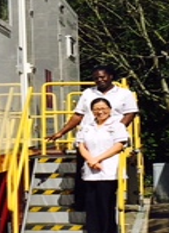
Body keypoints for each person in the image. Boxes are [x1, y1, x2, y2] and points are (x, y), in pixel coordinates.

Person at [45, 65, 138, 209]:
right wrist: (61, 132)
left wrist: (116, 129)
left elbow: (130, 113)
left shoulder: (124, 94)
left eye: (102, 77)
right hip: (90, 138)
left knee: (108, 176)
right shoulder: (88, 93)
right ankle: (82, 204)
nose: (99, 80)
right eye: (96, 78)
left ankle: (107, 208)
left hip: (110, 141)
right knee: (84, 170)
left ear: (111, 76)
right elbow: (78, 115)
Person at [76, 97, 129, 233]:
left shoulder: (117, 126)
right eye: (96, 109)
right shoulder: (87, 126)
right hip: (91, 170)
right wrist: (91, 160)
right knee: (91, 204)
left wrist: (98, 159)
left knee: (106, 204)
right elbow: (81, 146)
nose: (100, 112)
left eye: (103, 108)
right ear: (92, 111)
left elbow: (118, 146)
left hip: (109, 171)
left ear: (110, 109)